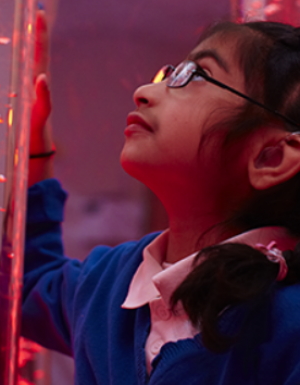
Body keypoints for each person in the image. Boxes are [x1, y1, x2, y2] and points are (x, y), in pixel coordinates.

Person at [22, 19, 300, 384]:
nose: (143, 91)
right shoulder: (110, 281)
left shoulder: (286, 321)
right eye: (170, 73)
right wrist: (34, 149)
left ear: (270, 158)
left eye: (196, 75)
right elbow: (29, 284)